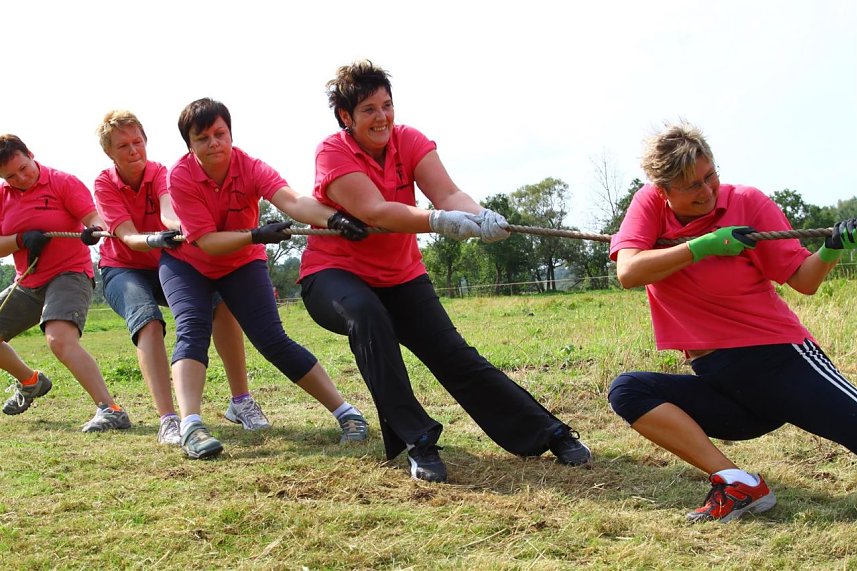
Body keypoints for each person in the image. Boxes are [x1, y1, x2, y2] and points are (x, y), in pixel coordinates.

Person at [298, 60, 592, 483]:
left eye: (386, 105)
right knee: (367, 315)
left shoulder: (410, 141)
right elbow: (374, 210)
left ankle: (548, 433)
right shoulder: (333, 152)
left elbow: (448, 192)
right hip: (335, 276)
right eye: (368, 110)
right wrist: (436, 221)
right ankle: (419, 441)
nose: (382, 117)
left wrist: (479, 215)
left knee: (454, 355)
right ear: (346, 117)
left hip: (400, 275)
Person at [608, 120, 857, 523]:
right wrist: (703, 246)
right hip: (723, 381)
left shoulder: (748, 202)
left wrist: (830, 250)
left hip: (780, 360)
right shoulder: (650, 206)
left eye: (710, 177)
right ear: (664, 189)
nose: (706, 192)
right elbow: (629, 272)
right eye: (691, 186)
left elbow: (803, 281)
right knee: (629, 391)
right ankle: (736, 482)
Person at [161, 97, 371, 459]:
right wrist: (256, 234)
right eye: (203, 138)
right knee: (193, 328)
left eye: (220, 133)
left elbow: (292, 201)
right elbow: (208, 242)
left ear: (230, 133)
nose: (214, 143)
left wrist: (333, 219)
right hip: (188, 264)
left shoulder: (251, 167)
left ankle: (347, 414)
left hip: (241, 262)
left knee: (272, 339)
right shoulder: (180, 176)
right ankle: (191, 427)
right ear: (189, 145)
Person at [94, 110, 274, 445]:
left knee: (221, 304)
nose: (133, 151)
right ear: (110, 153)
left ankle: (241, 402)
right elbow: (128, 236)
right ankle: (169, 420)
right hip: (123, 266)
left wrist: (190, 228)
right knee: (147, 321)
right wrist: (152, 239)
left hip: (167, 259)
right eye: (123, 146)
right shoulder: (105, 183)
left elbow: (168, 211)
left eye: (137, 142)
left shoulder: (163, 172)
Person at [0, 134, 131, 432]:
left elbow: (95, 218)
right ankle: (31, 382)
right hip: (28, 281)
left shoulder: (63, 182)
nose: (21, 178)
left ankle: (111, 409)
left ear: (30, 153)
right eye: (11, 176)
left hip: (69, 274)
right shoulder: (2, 198)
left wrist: (93, 230)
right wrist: (20, 239)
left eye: (24, 167)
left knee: (59, 338)